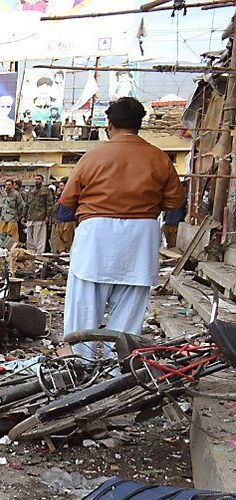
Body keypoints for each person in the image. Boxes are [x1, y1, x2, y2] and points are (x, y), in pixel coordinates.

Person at [58, 97, 184, 349]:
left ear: (109, 124)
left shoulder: (92, 157)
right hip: (140, 237)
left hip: (96, 235)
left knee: (84, 306)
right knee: (129, 311)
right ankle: (117, 368)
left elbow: (66, 204)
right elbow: (174, 203)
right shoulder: (159, 159)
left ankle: (79, 364)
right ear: (139, 124)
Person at [23, 174, 54, 253]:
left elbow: (50, 204)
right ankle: (31, 253)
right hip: (30, 217)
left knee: (39, 238)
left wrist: (48, 216)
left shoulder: (46, 191)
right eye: (36, 179)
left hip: (40, 217)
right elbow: (26, 204)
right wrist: (23, 216)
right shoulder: (31, 191)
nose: (37, 181)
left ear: (42, 180)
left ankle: (39, 254)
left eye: (39, 179)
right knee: (29, 238)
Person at [51, 181, 77, 254]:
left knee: (67, 243)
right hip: (59, 221)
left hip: (68, 221)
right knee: (58, 243)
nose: (60, 188)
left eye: (61, 186)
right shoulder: (61, 196)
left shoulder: (72, 195)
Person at [161, 181, 188, 249]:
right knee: (171, 245)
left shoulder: (176, 198)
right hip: (171, 226)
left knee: (172, 245)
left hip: (172, 225)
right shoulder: (180, 199)